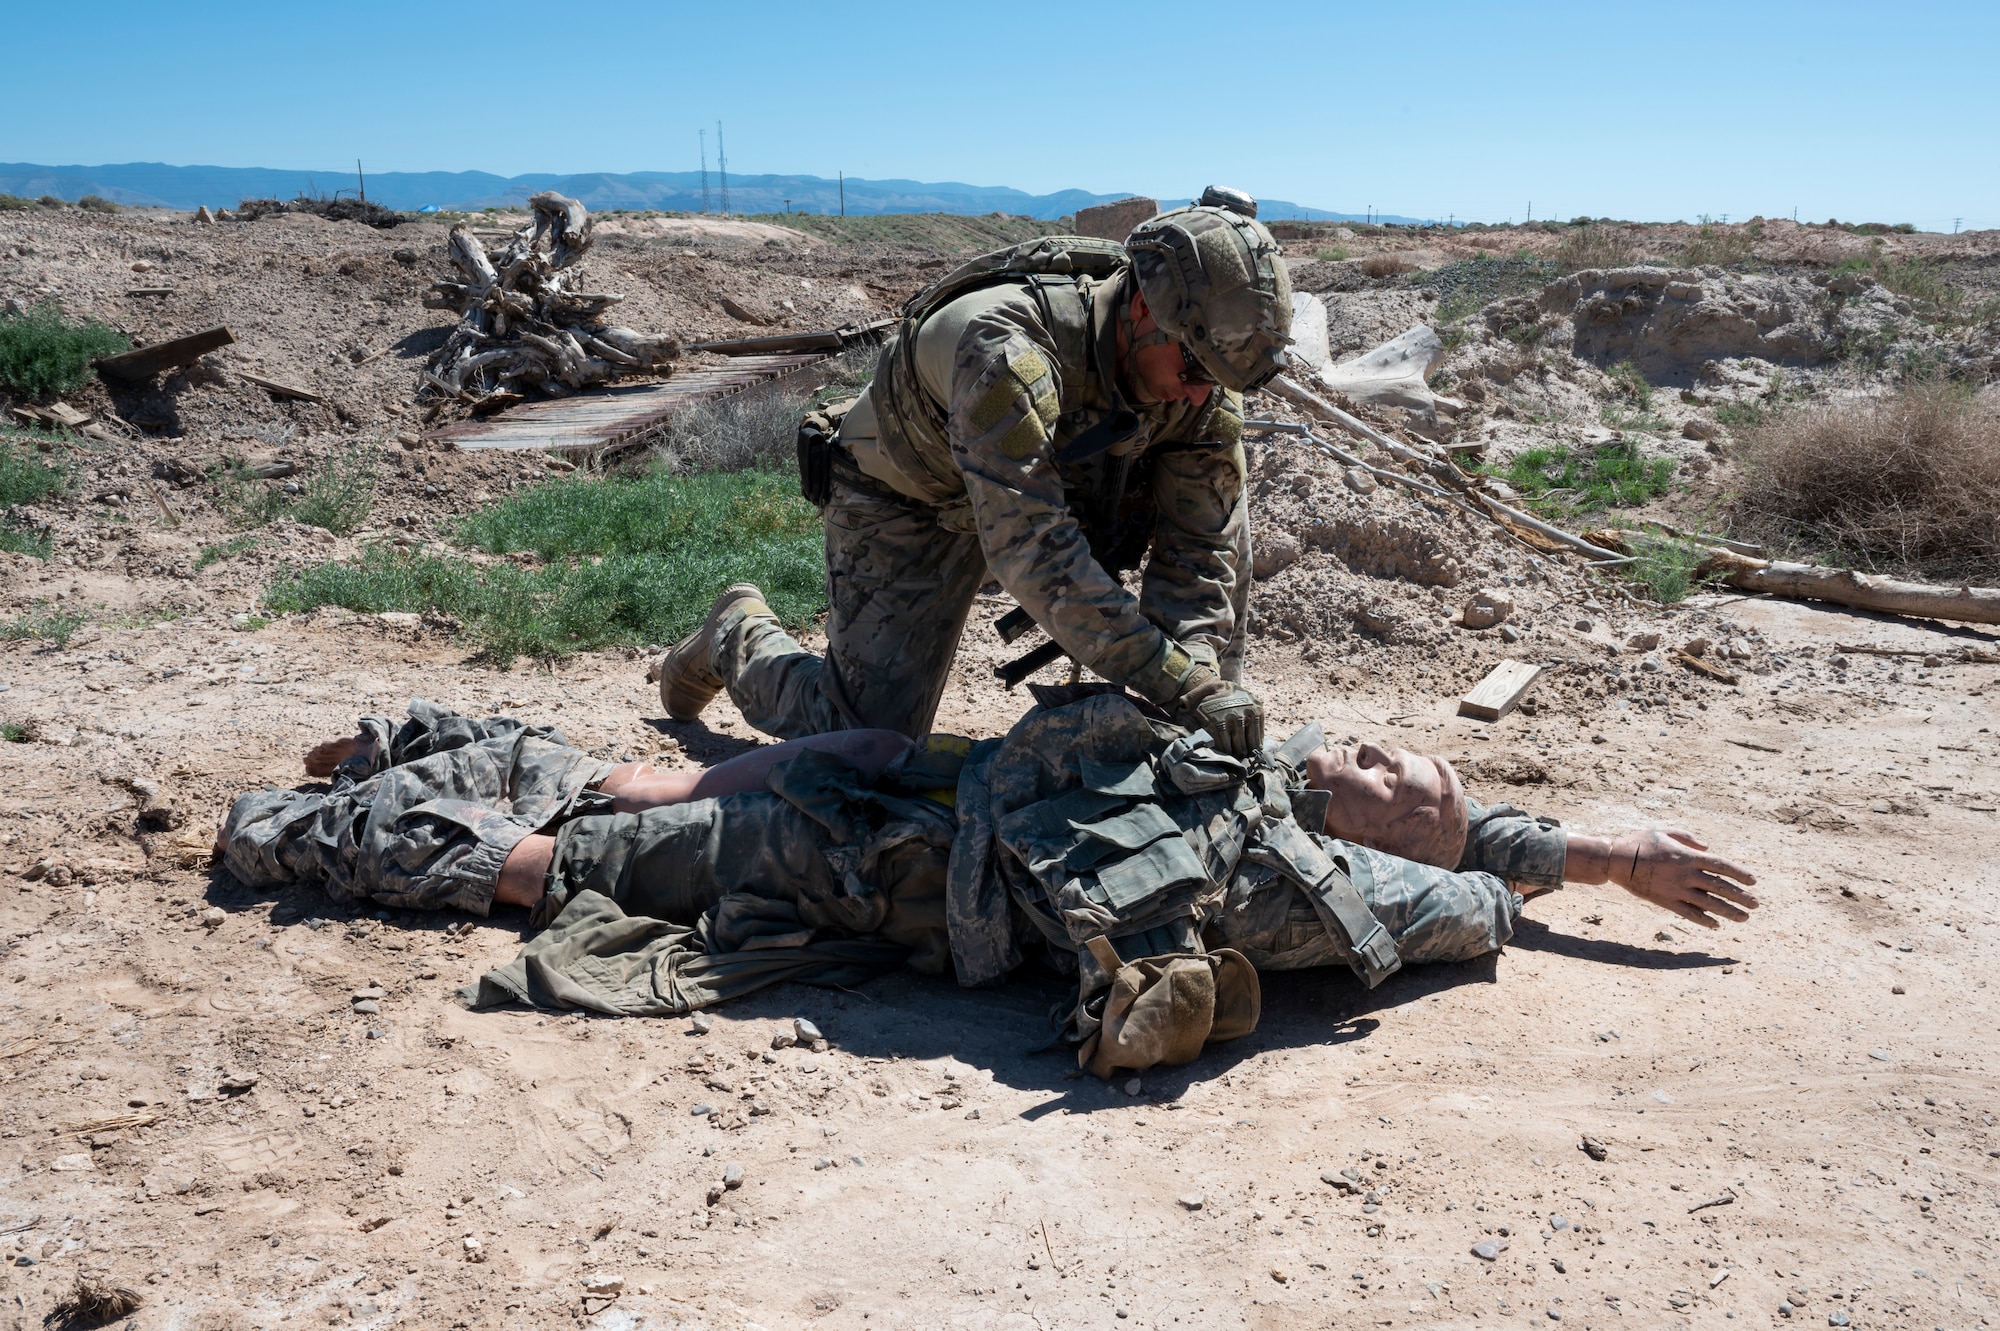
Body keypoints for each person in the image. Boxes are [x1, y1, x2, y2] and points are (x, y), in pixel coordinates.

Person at [221, 695, 1757, 1076]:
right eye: (1393, 747)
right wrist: (1610, 844)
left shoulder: (1305, 873)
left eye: (1404, 778)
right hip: (889, 778)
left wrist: (1573, 872)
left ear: (1384, 836)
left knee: (560, 869)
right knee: (636, 782)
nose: (1382, 751)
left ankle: (290, 828)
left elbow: (1461, 883)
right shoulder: (1255, 759)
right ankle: (426, 735)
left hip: (853, 865)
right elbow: (1475, 838)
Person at [649, 188, 1295, 760]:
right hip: (909, 495)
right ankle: (734, 634)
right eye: (1194, 374)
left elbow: (1202, 548)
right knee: (868, 743)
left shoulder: (1203, 379)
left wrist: (1199, 677)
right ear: (1146, 313)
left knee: (1219, 541)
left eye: (1220, 381)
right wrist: (1178, 680)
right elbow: (1034, 552)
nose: (1199, 397)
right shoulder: (1006, 354)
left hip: (1040, 483)